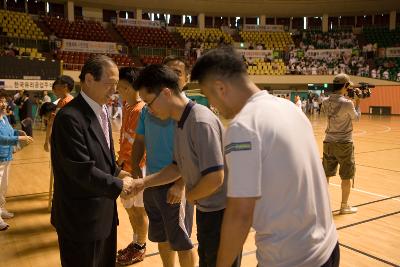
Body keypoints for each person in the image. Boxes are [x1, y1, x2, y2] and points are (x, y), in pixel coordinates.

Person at [190, 47, 339, 267]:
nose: (213, 105)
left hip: (291, 259)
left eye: (209, 95)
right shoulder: (290, 108)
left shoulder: (243, 127)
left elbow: (240, 214)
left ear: (221, 88)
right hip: (327, 247)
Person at [130, 65, 242, 267]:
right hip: (208, 209)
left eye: (149, 102)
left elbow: (215, 178)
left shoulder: (200, 121)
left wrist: (189, 195)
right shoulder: (181, 121)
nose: (149, 110)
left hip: (223, 214)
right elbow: (176, 166)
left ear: (165, 93)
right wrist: (144, 183)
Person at [50, 55, 135, 267]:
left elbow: (101, 156)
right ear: (89, 79)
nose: (113, 90)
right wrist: (119, 185)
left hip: (103, 214)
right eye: (109, 84)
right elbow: (81, 170)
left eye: (116, 85)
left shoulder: (102, 110)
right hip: (80, 219)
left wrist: (117, 172)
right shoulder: (70, 117)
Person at [127, 56, 196, 267]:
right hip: (152, 180)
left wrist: (180, 184)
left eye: (178, 73)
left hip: (176, 185)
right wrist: (136, 167)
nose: (173, 77)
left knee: (181, 241)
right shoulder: (149, 110)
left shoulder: (188, 111)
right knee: (161, 237)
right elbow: (139, 140)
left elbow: (193, 154)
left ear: (187, 78)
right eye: (169, 72)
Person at [115, 67, 148, 266]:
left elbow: (141, 145)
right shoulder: (126, 106)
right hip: (125, 165)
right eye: (119, 88)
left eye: (125, 88)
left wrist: (135, 170)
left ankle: (140, 247)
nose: (121, 92)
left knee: (138, 209)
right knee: (129, 207)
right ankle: (136, 243)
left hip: (137, 168)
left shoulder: (141, 109)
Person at [321, 74, 361, 214]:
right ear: (344, 86)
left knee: (326, 174)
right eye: (348, 85)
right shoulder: (347, 103)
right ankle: (344, 206)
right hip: (344, 143)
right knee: (346, 175)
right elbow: (356, 118)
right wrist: (358, 102)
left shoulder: (325, 101)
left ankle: (323, 206)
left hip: (328, 142)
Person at [0, 95, 33, 231]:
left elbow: (10, 132)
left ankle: (1, 209)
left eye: (3, 101)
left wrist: (18, 132)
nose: (3, 104)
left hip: (7, 157)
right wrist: (18, 138)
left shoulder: (4, 117)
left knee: (3, 186)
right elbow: (1, 138)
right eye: (0, 101)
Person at [44, 75, 74, 152]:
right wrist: (47, 140)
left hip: (66, 141)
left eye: (56, 88)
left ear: (65, 87)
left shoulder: (69, 102)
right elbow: (52, 122)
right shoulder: (60, 101)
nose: (54, 91)